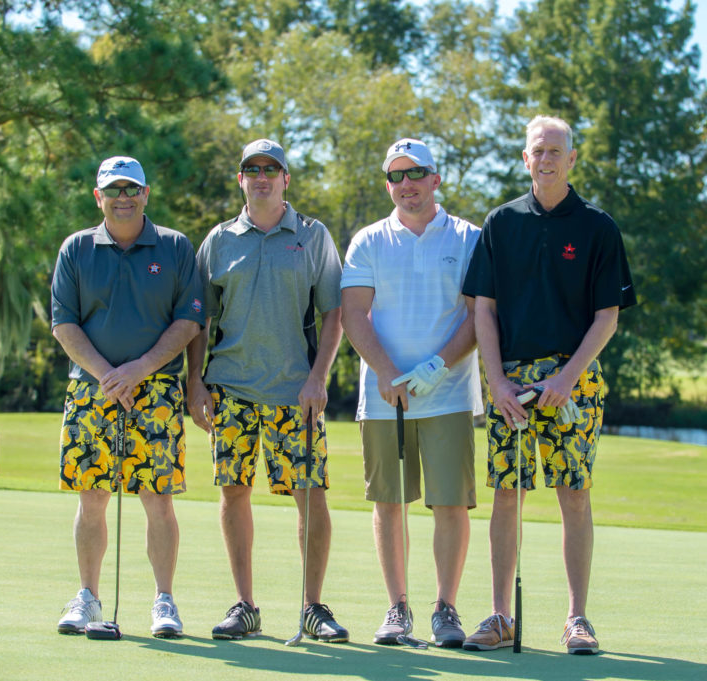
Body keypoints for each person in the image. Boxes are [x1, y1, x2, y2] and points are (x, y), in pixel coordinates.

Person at [460, 116, 636, 654]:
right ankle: (499, 617)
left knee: (574, 496)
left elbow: (607, 315)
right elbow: (482, 310)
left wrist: (567, 377)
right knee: (506, 497)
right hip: (509, 381)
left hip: (572, 380)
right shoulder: (501, 222)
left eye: (557, 150)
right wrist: (496, 382)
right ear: (525, 158)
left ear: (572, 159)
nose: (547, 158)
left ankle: (577, 618)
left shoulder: (597, 226)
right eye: (539, 150)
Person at [186, 139, 348, 642]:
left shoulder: (312, 235)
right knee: (234, 495)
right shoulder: (218, 239)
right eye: (251, 169)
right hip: (230, 390)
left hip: (293, 392)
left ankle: (312, 607)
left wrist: (318, 377)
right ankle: (245, 606)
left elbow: (334, 313)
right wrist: (195, 381)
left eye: (270, 169)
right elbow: (199, 319)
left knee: (310, 496)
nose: (261, 177)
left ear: (285, 179)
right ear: (241, 179)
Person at [51, 156, 204, 638]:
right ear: (98, 197)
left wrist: (138, 370)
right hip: (90, 388)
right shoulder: (76, 248)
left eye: (131, 188)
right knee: (92, 497)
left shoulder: (176, 246)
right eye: (113, 189)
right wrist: (108, 375)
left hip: (156, 389)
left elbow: (189, 320)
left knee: (157, 498)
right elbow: (63, 323)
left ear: (146, 193)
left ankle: (164, 601)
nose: (123, 197)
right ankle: (89, 597)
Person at [340, 138, 482, 648]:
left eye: (416, 173)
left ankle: (445, 609)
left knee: (450, 505)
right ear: (388, 185)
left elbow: (477, 315)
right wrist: (383, 370)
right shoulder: (369, 240)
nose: (407, 185)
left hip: (448, 394)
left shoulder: (469, 238)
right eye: (396, 176)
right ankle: (397, 608)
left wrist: (438, 365)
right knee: (390, 504)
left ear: (436, 179)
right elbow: (354, 313)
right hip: (384, 397)